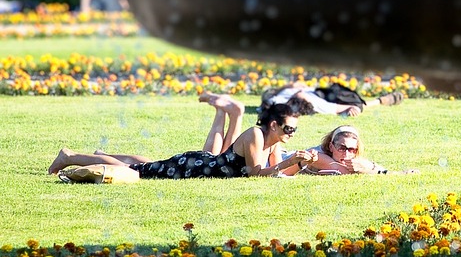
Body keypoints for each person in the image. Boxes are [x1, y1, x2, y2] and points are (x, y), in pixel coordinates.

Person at [48, 95, 319, 180]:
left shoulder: (270, 141)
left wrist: (303, 162)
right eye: (289, 129)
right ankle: (71, 156)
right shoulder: (257, 136)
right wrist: (288, 162)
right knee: (135, 170)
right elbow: (256, 173)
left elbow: (275, 174)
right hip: (192, 168)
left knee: (141, 163)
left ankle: (81, 155)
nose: (291, 134)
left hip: (201, 163)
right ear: (275, 125)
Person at [259, 81, 404, 118]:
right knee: (355, 102)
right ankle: (382, 101)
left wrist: (291, 85)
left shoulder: (274, 98)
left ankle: (382, 100)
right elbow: (337, 109)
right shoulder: (313, 103)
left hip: (317, 91)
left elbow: (268, 95)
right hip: (322, 96)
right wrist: (354, 110)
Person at [300, 124, 388, 175]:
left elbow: (367, 165)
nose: (346, 154)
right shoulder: (316, 155)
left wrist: (368, 165)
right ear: (331, 147)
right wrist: (365, 168)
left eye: (351, 149)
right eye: (341, 148)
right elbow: (342, 170)